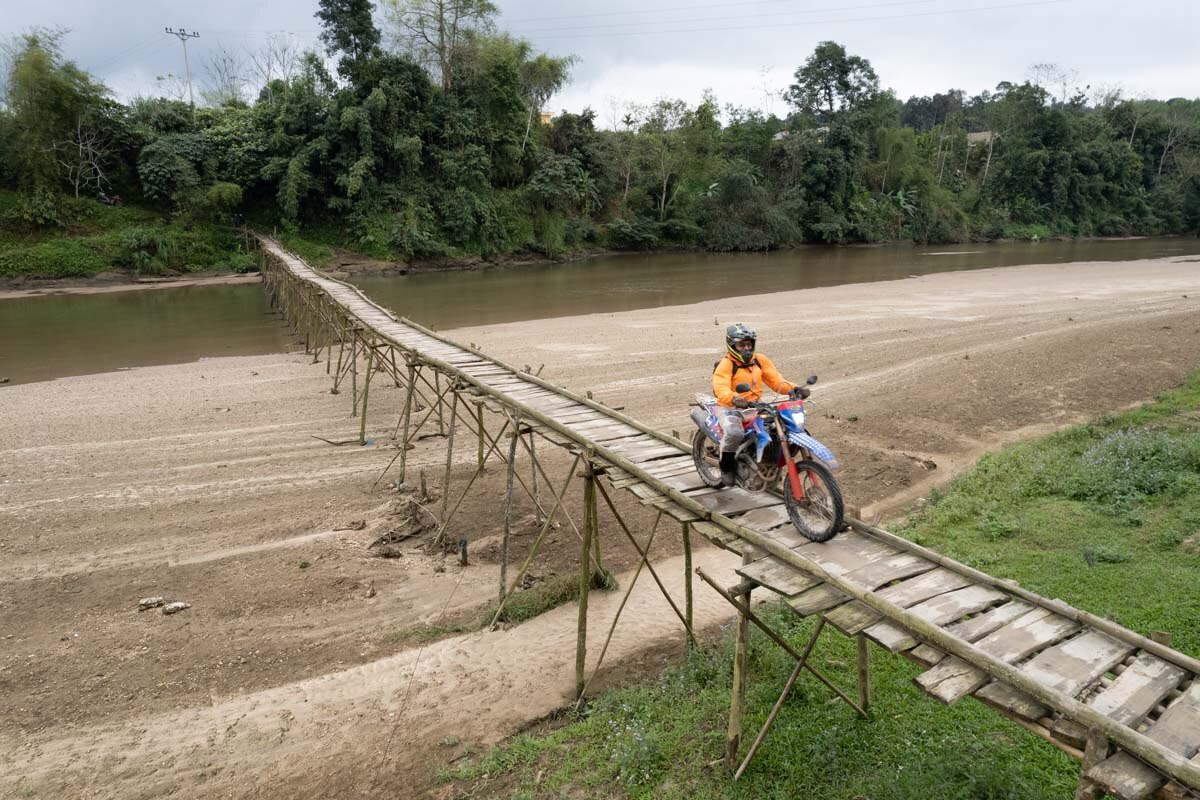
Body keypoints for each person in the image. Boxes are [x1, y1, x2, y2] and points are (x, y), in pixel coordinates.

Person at [711, 323, 808, 487]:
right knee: (734, 433)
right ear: (732, 345)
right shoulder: (726, 364)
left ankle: (766, 460)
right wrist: (734, 399)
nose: (746, 348)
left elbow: (777, 381)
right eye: (742, 345)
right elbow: (720, 387)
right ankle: (726, 468)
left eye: (749, 344)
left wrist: (795, 389)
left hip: (755, 405)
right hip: (729, 407)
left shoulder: (760, 360)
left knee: (780, 426)